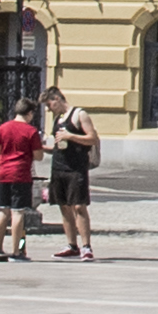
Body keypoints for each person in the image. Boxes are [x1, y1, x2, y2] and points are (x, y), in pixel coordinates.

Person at [40, 86, 98, 260]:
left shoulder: (80, 115)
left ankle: (86, 246)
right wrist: (44, 149)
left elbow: (92, 138)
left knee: (79, 206)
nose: (49, 109)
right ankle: (72, 245)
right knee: (63, 206)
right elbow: (60, 145)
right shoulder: (58, 119)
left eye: (50, 105)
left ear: (57, 99)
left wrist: (71, 136)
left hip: (76, 167)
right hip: (59, 167)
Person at [0, 103, 42, 258]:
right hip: (21, 175)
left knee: (3, 210)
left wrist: (3, 162)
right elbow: (38, 156)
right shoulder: (31, 131)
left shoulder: (3, 128)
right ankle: (18, 250)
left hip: (4, 173)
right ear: (30, 113)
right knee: (18, 213)